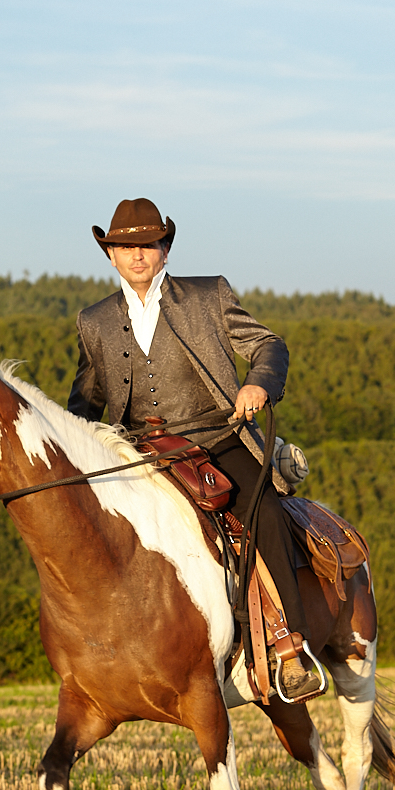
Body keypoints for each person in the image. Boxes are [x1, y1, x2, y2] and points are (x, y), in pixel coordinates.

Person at [68, 197, 321, 701]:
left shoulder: (210, 296)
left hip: (216, 440)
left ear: (165, 249)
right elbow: (88, 396)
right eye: (125, 246)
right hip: (138, 454)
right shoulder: (93, 321)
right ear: (110, 255)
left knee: (265, 514)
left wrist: (258, 385)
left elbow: (269, 345)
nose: (137, 255)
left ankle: (291, 646)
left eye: (147, 244)